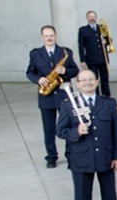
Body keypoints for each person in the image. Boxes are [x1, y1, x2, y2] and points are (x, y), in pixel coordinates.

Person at [56, 68, 117, 200]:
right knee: (82, 195)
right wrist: (76, 131)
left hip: (105, 155)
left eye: (91, 80)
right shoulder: (68, 104)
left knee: (109, 193)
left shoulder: (109, 103)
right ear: (78, 84)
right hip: (81, 158)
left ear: (97, 82)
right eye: (83, 80)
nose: (88, 83)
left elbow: (116, 132)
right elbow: (60, 130)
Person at [26, 25, 79, 168]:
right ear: (42, 37)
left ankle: (71, 155)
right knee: (48, 129)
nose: (49, 38)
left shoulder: (65, 52)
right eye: (46, 36)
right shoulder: (35, 54)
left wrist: (65, 70)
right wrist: (38, 79)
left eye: (51, 35)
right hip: (46, 96)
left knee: (68, 126)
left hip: (64, 94)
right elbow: (30, 72)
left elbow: (75, 70)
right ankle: (51, 157)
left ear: (55, 36)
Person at [77, 10, 112, 97]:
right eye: (90, 17)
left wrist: (106, 41)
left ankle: (106, 95)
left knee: (105, 79)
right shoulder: (83, 30)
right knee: (94, 79)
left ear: (96, 18)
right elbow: (81, 46)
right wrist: (82, 60)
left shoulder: (102, 27)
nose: (92, 18)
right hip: (91, 59)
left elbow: (109, 40)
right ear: (87, 18)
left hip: (103, 58)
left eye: (94, 16)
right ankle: (96, 96)